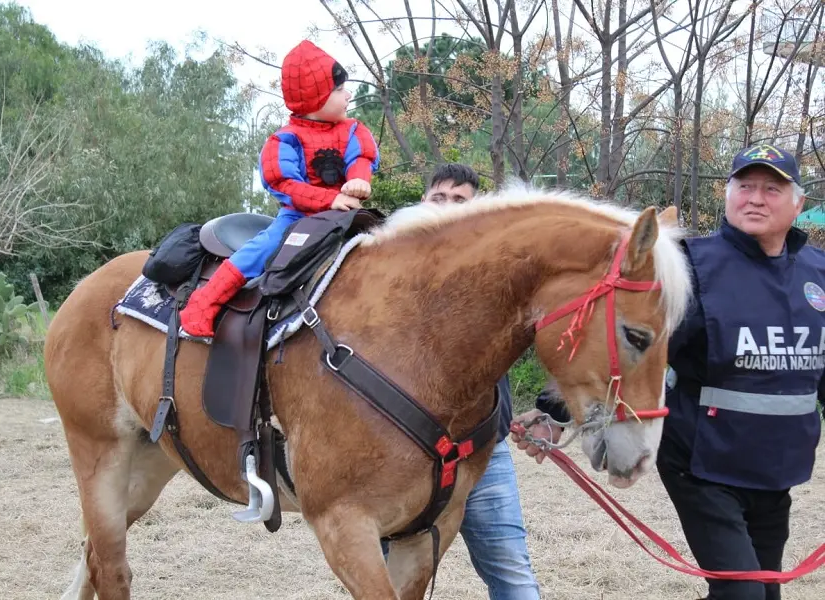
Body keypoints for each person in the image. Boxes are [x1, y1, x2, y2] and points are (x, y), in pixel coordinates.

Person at [513, 144, 825, 600]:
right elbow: (621, 348)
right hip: (704, 464)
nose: (755, 198)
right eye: (745, 186)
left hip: (779, 468)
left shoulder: (817, 271)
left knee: (763, 593)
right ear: (728, 194)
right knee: (745, 595)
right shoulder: (689, 268)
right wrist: (554, 412)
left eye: (771, 189)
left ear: (798, 203)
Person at [391, 163, 554, 600]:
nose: (446, 207)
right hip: (399, 458)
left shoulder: (498, 279)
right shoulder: (388, 272)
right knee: (394, 585)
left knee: (513, 577)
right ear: (422, 201)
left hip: (483, 453)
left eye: (459, 200)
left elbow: (558, 334)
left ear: (476, 209)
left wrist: (552, 413)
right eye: (438, 197)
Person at [179, 40, 380, 337]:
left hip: (346, 214)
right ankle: (204, 302)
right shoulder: (284, 140)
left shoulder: (353, 129)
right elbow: (284, 182)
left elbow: (360, 158)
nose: (347, 94)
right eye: (339, 90)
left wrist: (359, 179)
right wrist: (330, 198)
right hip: (297, 218)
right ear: (316, 98)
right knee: (262, 249)